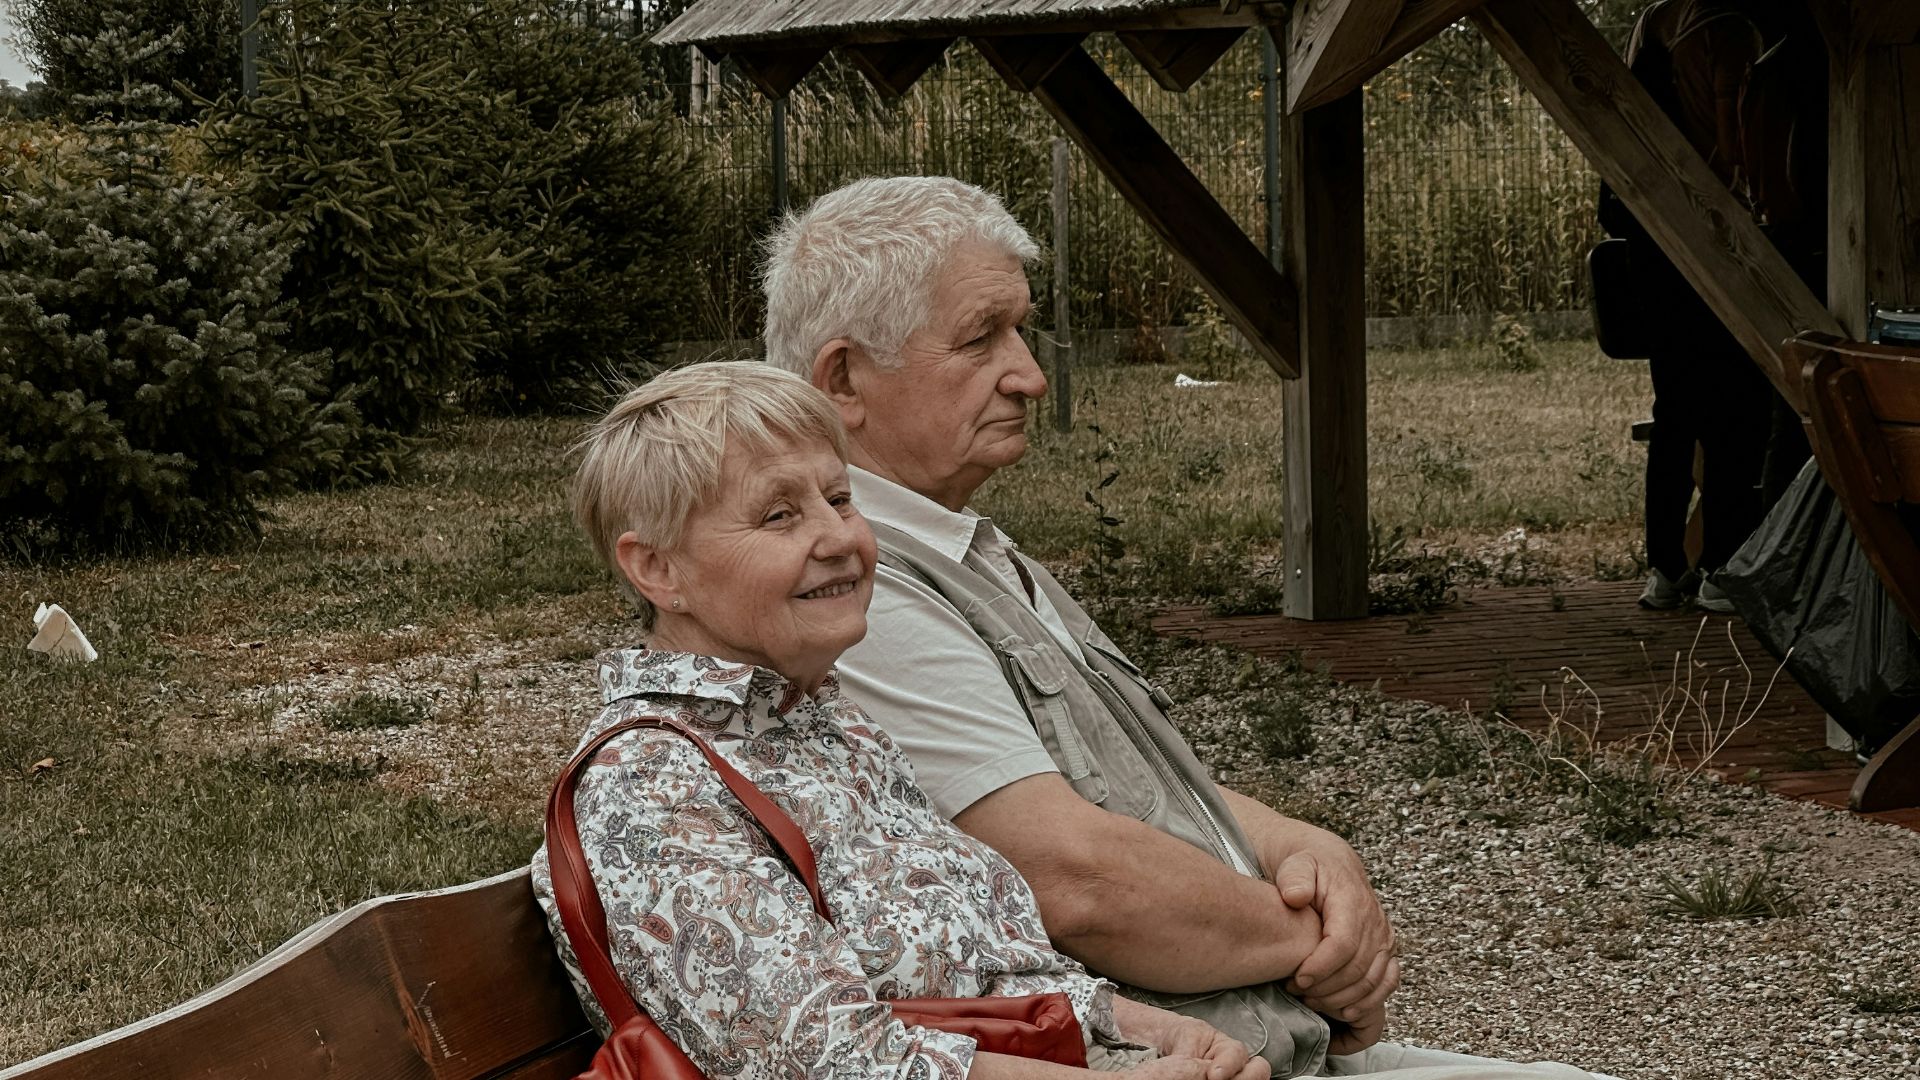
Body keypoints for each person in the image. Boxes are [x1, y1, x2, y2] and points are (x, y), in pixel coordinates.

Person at [763, 176, 1616, 1080]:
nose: (1031, 375)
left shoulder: (961, 547)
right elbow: (1075, 880)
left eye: (1019, 330)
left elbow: (1118, 789)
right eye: (981, 339)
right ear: (845, 380)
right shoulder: (863, 592)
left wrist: (1308, 847)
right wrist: (1317, 942)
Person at [531, 361, 1274, 1080]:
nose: (839, 538)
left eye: (840, 499)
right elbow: (837, 1063)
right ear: (658, 570)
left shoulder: (829, 724)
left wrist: (1165, 1033)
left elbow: (994, 977)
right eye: (779, 514)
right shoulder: (650, 787)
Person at [1599, 0, 1825, 612]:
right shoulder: (1729, 29)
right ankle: (1724, 565)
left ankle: (1666, 569)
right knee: (1738, 413)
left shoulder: (1652, 24)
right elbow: (1733, 140)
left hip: (1652, 242)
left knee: (1674, 408)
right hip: (1713, 240)